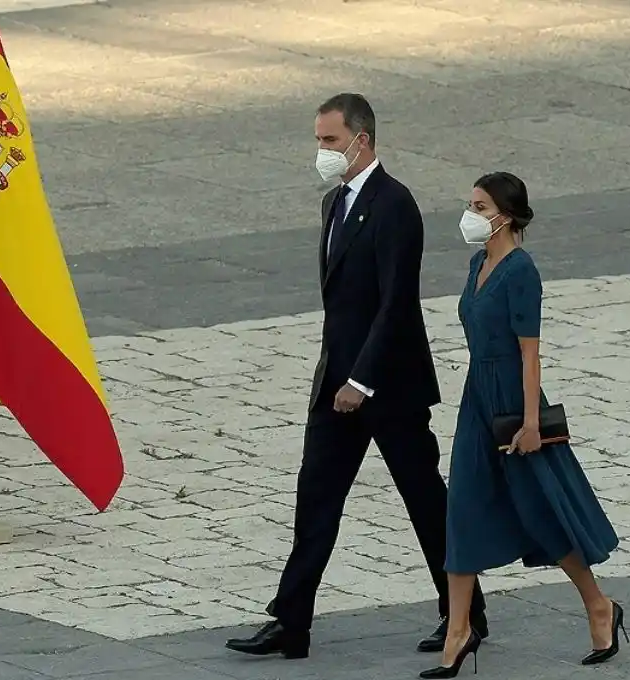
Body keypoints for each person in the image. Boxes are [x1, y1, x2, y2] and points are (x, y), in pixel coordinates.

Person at [224, 92, 488, 660]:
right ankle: (292, 621)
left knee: (424, 500)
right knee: (314, 497)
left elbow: (396, 304)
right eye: (319, 140)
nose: (322, 152)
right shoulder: (333, 205)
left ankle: (465, 612)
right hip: (335, 384)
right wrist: (335, 378)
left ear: (360, 141)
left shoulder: (395, 206)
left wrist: (362, 380)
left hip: (387, 387)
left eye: (330, 141)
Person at [419, 172, 624, 679]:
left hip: (513, 401)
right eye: (470, 202)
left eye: (480, 205)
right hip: (477, 400)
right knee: (462, 506)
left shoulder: (521, 271)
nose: (470, 213)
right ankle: (459, 629)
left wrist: (530, 422)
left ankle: (599, 606)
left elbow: (529, 354)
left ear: (505, 215)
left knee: (542, 509)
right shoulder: (477, 263)